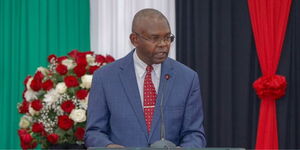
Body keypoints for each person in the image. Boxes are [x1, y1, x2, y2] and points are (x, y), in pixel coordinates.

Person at [85, 8, 206, 148]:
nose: (163, 44)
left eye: (167, 38)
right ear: (134, 39)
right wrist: (107, 146)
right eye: (155, 38)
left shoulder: (187, 78)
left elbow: (194, 134)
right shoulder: (105, 77)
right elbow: (94, 133)